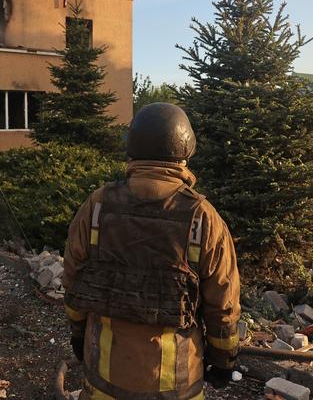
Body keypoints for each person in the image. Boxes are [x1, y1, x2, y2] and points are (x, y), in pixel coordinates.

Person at [63, 102, 241, 400]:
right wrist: (224, 360)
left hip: (103, 383)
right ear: (185, 151)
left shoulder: (96, 206)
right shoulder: (203, 218)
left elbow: (73, 278)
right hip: (175, 389)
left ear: (132, 148)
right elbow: (223, 301)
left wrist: (78, 333)